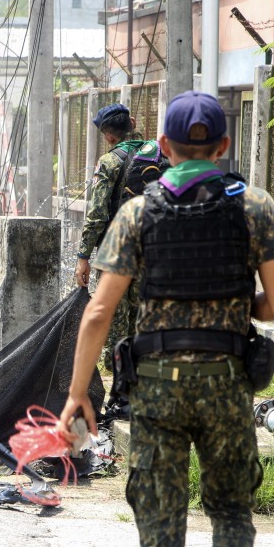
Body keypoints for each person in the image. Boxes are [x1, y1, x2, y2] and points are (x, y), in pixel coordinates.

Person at [59, 91, 274, 547]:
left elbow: (99, 312)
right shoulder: (256, 206)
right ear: (224, 145)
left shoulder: (138, 213)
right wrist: (234, 305)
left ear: (163, 145)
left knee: (161, 518)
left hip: (157, 387)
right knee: (231, 509)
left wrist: (78, 395)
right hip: (227, 382)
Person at [75, 103, 167, 382]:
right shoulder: (161, 155)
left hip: (115, 254)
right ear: (134, 121)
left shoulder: (110, 161)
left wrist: (83, 255)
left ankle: (118, 387)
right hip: (151, 251)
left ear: (109, 136)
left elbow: (97, 214)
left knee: (115, 320)